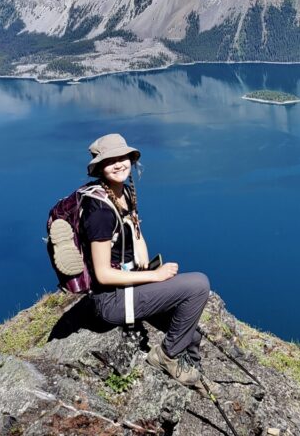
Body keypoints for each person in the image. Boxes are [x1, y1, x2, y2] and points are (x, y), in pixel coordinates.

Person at [81, 133, 211, 390]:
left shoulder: (124, 194)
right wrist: (155, 276)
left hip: (127, 289)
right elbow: (103, 275)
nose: (119, 164)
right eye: (111, 161)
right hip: (110, 300)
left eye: (123, 158)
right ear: (100, 168)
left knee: (191, 332)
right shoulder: (100, 212)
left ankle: (193, 373)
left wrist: (146, 263)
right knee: (198, 284)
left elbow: (137, 239)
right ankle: (165, 357)